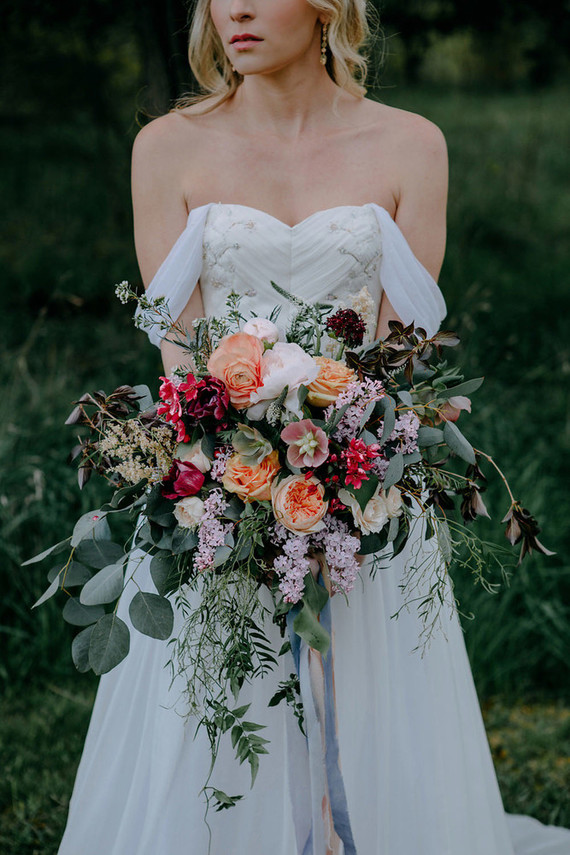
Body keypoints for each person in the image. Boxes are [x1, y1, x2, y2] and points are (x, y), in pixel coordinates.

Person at [58, 0, 570, 853]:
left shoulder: (412, 145)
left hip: (362, 494)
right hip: (218, 492)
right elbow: (181, 362)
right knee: (216, 720)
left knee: (371, 719)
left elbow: (402, 359)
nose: (236, 11)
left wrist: (345, 470)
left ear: (329, 7)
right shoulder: (166, 148)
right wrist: (227, 480)